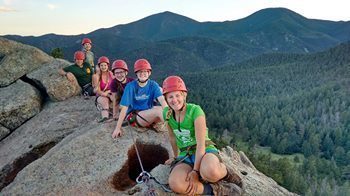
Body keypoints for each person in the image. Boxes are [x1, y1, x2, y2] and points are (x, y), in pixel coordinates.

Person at [162, 76, 242, 195]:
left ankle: (228, 174)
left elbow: (200, 143)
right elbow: (173, 137)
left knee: (210, 172)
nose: (174, 100)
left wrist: (195, 171)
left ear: (184, 95)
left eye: (177, 95)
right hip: (186, 154)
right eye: (170, 97)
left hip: (204, 150)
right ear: (166, 99)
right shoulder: (167, 114)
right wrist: (175, 157)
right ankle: (219, 190)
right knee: (176, 184)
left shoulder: (195, 111)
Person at [112, 58, 167, 138]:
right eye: (140, 71)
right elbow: (124, 108)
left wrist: (168, 112)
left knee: (165, 109)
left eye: (145, 71)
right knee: (159, 111)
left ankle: (171, 126)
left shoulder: (153, 85)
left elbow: (162, 101)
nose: (142, 74)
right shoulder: (130, 86)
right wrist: (117, 128)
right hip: (134, 116)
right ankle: (176, 132)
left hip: (147, 112)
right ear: (136, 73)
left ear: (149, 73)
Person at [94, 56, 114, 123]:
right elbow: (97, 91)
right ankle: (105, 118)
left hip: (110, 93)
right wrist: (108, 95)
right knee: (104, 101)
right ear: (99, 66)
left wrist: (109, 92)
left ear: (108, 66)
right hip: (101, 95)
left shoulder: (111, 74)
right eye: (101, 65)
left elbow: (115, 85)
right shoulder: (96, 76)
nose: (103, 67)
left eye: (105, 65)